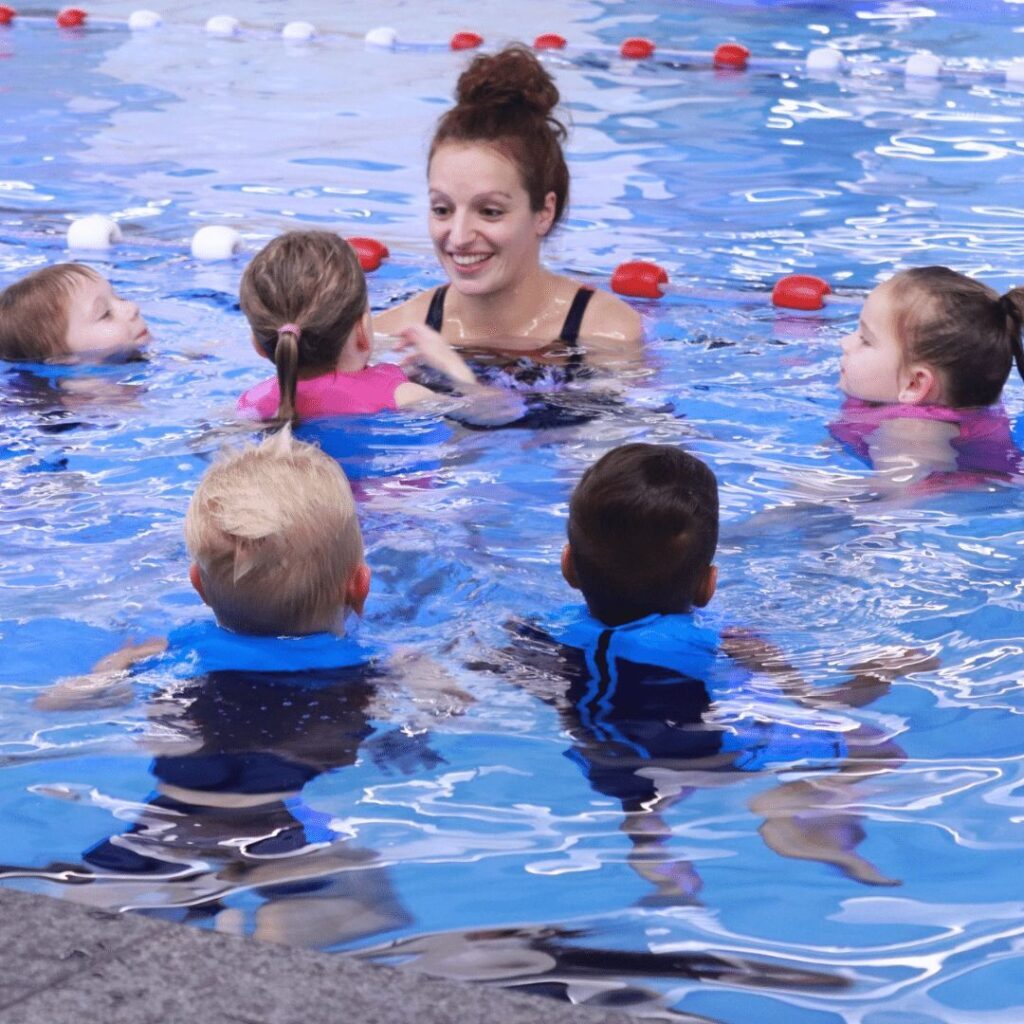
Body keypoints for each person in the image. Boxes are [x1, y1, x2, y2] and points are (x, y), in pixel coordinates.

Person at [18, 430, 457, 946]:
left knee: (84, 927)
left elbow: (55, 703)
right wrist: (415, 724)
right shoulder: (377, 661)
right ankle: (275, 926)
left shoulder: (169, 650)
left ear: (198, 585)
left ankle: (192, 907)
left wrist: (108, 673)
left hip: (167, 819)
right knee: (371, 908)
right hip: (281, 825)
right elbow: (448, 704)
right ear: (359, 586)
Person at [497, 443, 931, 902]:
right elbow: (817, 701)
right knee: (875, 747)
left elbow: (518, 671)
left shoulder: (545, 630)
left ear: (567, 566)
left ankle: (658, 858)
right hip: (707, 753)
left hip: (601, 760)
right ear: (707, 585)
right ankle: (803, 811)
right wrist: (879, 674)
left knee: (643, 793)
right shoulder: (722, 639)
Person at [374, 45, 643, 375]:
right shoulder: (389, 335)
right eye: (442, 209)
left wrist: (463, 382)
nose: (458, 238)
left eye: (490, 211)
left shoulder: (607, 333)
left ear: (544, 212)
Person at [236, 230, 502, 425]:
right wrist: (452, 366)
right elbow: (498, 412)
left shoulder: (252, 404)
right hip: (387, 500)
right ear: (362, 331)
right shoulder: (401, 397)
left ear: (257, 345)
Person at [831, 266, 1024, 479]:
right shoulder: (957, 399)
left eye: (865, 340)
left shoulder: (915, 432)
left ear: (914, 384)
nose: (845, 343)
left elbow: (904, 500)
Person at [0, 263, 150, 362]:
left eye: (120, 298)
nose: (132, 307)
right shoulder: (87, 399)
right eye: (106, 314)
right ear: (63, 359)